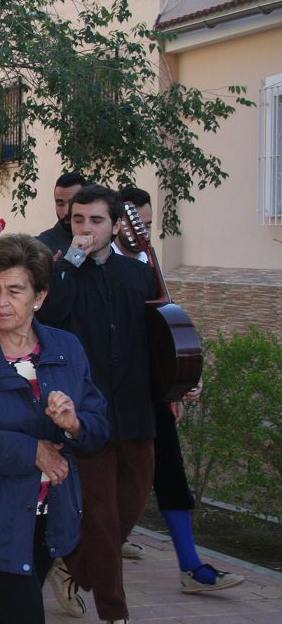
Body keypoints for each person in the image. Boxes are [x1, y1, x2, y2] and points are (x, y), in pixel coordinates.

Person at [0, 233, 109, 624]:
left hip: (53, 513)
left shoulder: (67, 349)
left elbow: (99, 427)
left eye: (15, 290)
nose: (0, 302)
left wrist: (74, 424)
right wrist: (33, 450)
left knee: (11, 611)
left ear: (39, 296)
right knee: (25, 614)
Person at [36, 185, 159, 622]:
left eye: (95, 221)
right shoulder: (60, 274)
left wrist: (179, 388)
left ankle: (71, 563)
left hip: (137, 411)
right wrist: (69, 259)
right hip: (86, 417)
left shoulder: (138, 275)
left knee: (130, 504)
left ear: (115, 225)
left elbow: (161, 337)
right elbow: (48, 317)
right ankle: (114, 612)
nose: (86, 229)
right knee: (104, 517)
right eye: (78, 220)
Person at [111, 187, 242, 593]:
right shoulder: (100, 269)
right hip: (112, 395)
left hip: (151, 393)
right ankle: (82, 560)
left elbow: (164, 335)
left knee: (170, 473)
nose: (142, 233)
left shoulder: (151, 268)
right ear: (119, 224)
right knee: (113, 481)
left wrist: (181, 379)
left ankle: (191, 566)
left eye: (148, 226)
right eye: (137, 224)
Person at [36, 172, 89, 257]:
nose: (66, 211)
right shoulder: (42, 247)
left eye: (72, 203)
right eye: (60, 204)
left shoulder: (103, 238)